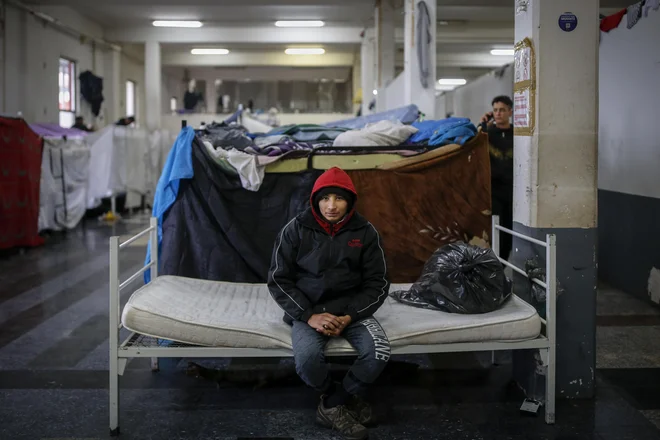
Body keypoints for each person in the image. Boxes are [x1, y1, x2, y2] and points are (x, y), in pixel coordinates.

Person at [268, 167, 390, 440]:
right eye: (325, 198)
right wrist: (309, 315)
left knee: (379, 352)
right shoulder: (295, 229)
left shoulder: (365, 231)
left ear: (350, 200)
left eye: (339, 198)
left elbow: (378, 282)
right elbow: (279, 280)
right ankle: (342, 400)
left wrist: (349, 316)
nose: (331, 206)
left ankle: (334, 404)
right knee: (308, 359)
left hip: (352, 311)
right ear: (315, 200)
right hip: (309, 311)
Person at [480, 95, 514, 260]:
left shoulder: (518, 135)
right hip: (493, 192)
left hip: (513, 192)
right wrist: (483, 126)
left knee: (509, 231)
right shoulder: (488, 134)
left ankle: (503, 264)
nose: (498, 113)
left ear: (510, 112)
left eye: (502, 110)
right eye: (495, 110)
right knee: (494, 229)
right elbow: (474, 144)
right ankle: (493, 263)